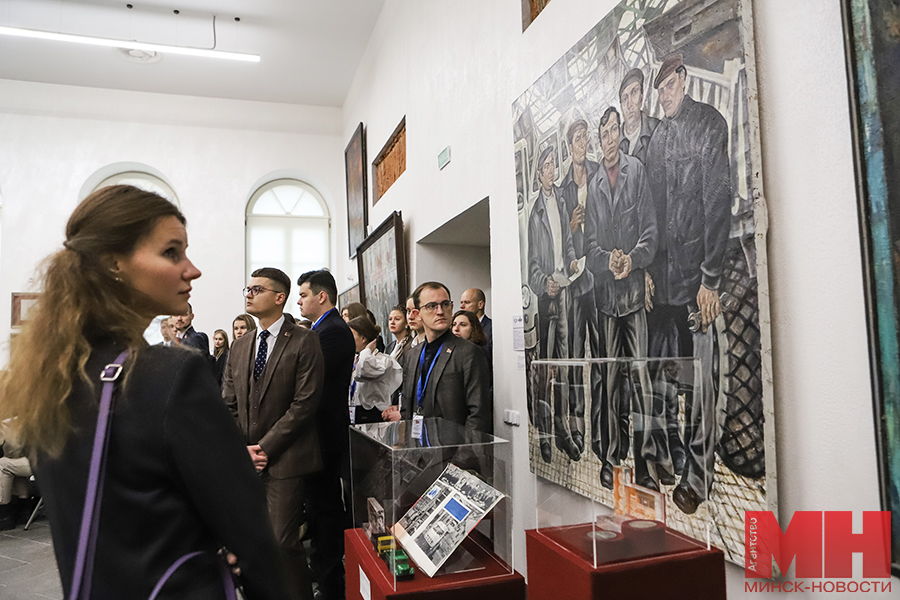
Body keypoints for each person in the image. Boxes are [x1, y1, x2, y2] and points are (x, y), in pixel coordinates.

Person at [0, 185, 290, 598]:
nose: (192, 269)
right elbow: (253, 542)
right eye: (172, 252)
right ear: (114, 262)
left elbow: (119, 511)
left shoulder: (49, 379)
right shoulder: (171, 374)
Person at [645, 53, 732, 514]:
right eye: (657, 89)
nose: (663, 94)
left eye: (668, 85)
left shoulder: (710, 125)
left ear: (683, 79)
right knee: (661, 373)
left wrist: (711, 278)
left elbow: (717, 204)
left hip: (698, 281)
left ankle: (697, 476)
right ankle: (665, 454)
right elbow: (651, 214)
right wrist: (646, 275)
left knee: (700, 383)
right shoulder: (659, 138)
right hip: (663, 284)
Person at [224, 267, 325, 600]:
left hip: (286, 459)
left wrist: (265, 447)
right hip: (244, 461)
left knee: (282, 542)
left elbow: (305, 403)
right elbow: (228, 403)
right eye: (248, 289)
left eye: (257, 289)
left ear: (279, 298)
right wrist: (242, 450)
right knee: (251, 544)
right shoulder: (239, 346)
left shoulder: (304, 339)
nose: (249, 294)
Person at [584, 106, 662, 491]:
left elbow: (651, 231)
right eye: (605, 133)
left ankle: (645, 462)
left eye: (615, 130)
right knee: (610, 380)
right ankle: (610, 458)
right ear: (599, 141)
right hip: (606, 302)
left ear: (620, 134)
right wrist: (607, 260)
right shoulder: (596, 184)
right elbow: (590, 246)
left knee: (642, 378)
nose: (610, 138)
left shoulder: (637, 172)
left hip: (632, 298)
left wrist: (632, 260)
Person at [296, 269, 355, 600]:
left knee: (326, 510)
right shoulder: (320, 330)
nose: (299, 301)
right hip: (316, 435)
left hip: (324, 435)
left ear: (322, 296)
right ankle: (324, 573)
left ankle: (331, 582)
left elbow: (308, 379)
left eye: (304, 294)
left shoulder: (333, 332)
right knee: (318, 508)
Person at [528, 145, 581, 462]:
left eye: (552, 164)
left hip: (566, 291)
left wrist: (573, 263)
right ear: (538, 174)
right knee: (545, 369)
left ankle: (563, 430)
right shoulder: (535, 212)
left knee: (564, 364)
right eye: (546, 165)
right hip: (547, 297)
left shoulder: (562, 200)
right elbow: (532, 262)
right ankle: (544, 434)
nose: (551, 169)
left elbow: (570, 245)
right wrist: (541, 282)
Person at [559, 117, 604, 465]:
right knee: (575, 359)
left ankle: (602, 435)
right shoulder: (562, 190)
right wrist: (571, 229)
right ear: (568, 144)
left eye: (586, 137)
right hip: (575, 283)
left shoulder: (598, 171)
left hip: (599, 276)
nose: (583, 143)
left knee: (602, 357)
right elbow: (561, 240)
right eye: (577, 138)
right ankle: (575, 427)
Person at [399, 282, 492, 433]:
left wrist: (463, 455)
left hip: (452, 450)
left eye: (445, 304)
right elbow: (405, 407)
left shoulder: (468, 353)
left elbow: (478, 414)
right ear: (417, 314)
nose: (440, 311)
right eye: (431, 306)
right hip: (416, 449)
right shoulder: (411, 355)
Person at [347, 316, 403, 424]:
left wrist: (368, 349)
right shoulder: (357, 359)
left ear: (363, 338)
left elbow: (363, 372)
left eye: (351, 335)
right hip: (356, 412)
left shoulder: (383, 360)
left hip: (374, 416)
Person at [618, 68, 660, 164]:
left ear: (641, 95)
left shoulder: (657, 129)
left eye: (634, 92)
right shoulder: (615, 141)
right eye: (624, 99)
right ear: (621, 106)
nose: (629, 105)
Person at [0, 420, 32, 531]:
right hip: (53, 462)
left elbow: (13, 451)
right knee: (14, 466)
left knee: (3, 464)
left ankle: (4, 513)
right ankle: (24, 508)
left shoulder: (8, 420)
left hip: (40, 463)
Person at [459, 288, 492, 364]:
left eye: (467, 302)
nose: (462, 306)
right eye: (461, 303)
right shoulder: (459, 329)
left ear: (480, 305)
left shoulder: (491, 328)